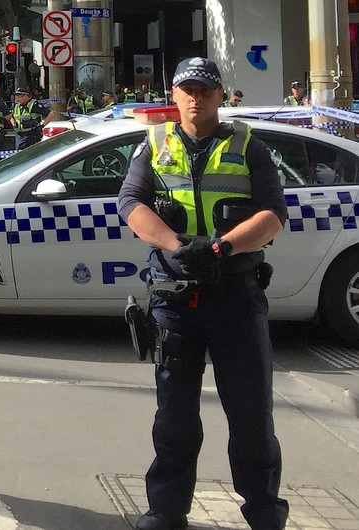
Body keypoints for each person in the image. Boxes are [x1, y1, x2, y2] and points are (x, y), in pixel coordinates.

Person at [117, 57, 289, 530]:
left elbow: (274, 212)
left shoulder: (248, 146)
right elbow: (130, 203)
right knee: (174, 417)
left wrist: (222, 247)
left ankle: (264, 513)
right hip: (175, 300)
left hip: (236, 294)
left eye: (205, 89)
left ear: (220, 96)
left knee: (252, 417)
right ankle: (166, 512)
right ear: (173, 95)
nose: (195, 97)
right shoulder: (153, 144)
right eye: (186, 88)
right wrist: (177, 245)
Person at [10, 86, 51, 150]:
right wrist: (14, 124)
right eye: (16, 96)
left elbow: (51, 114)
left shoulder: (34, 105)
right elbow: (11, 117)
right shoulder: (16, 106)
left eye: (20, 96)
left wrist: (42, 126)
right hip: (21, 135)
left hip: (33, 135)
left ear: (27, 96)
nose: (17, 98)